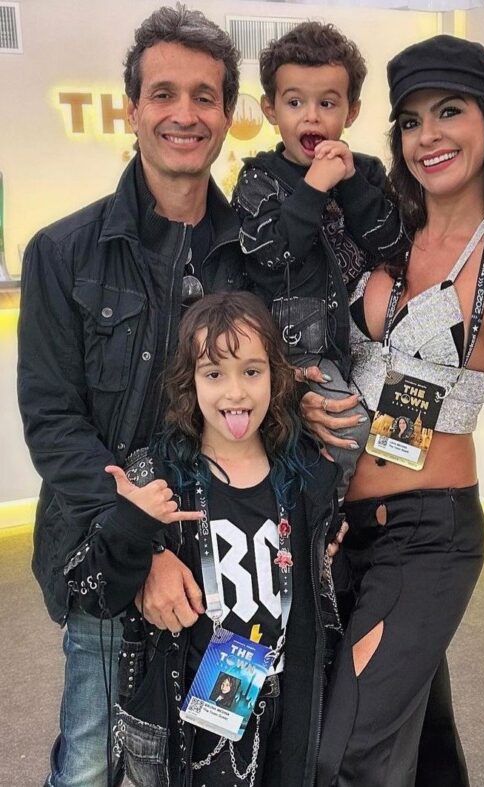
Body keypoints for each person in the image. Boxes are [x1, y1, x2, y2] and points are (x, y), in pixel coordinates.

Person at [301, 36, 484, 786]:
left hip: (428, 536)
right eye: (412, 120)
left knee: (346, 750)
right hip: (332, 527)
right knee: (419, 744)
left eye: (448, 112)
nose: (429, 136)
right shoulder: (373, 231)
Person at [17, 6, 246, 786]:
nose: (185, 114)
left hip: (232, 569)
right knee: (89, 764)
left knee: (219, 761)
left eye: (205, 96)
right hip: (107, 560)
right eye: (163, 94)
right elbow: (52, 423)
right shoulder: (60, 252)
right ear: (132, 108)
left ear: (227, 115)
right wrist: (142, 544)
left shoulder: (257, 258)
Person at [64, 291, 343, 787]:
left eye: (252, 371)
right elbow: (91, 589)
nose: (235, 393)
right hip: (191, 713)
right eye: (214, 374)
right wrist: (131, 523)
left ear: (277, 376)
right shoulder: (160, 474)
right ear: (189, 383)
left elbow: (319, 594)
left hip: (286, 705)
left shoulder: (304, 476)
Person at [231, 21, 404, 500]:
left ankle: (377, 519)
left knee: (399, 433)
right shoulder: (259, 180)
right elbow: (272, 256)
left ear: (351, 111)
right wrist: (313, 188)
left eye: (327, 103)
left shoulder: (364, 171)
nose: (311, 117)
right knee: (348, 431)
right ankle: (330, 523)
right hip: (299, 347)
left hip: (366, 338)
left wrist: (347, 183)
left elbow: (393, 243)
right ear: (270, 108)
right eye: (294, 102)